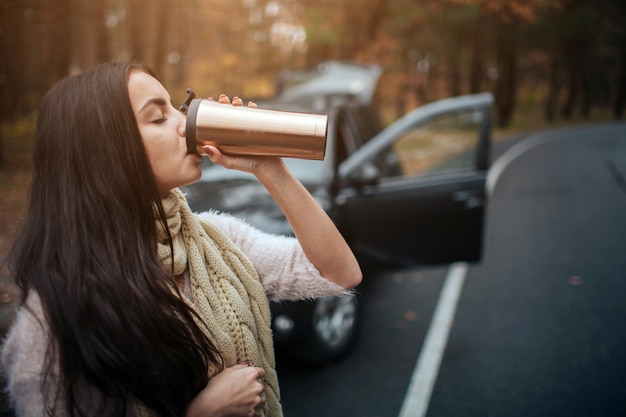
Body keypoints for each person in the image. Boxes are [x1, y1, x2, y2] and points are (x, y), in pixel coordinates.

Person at [1, 61, 362, 417]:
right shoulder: (50, 326)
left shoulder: (217, 241)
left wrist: (270, 169)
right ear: (105, 152)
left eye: (177, 107)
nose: (184, 123)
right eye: (158, 117)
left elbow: (337, 273)